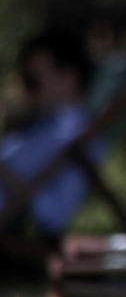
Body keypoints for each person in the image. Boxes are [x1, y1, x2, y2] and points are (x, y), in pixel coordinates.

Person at [0, 32, 100, 240]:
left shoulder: (75, 135)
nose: (27, 91)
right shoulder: (45, 125)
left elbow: (52, 215)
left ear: (70, 78)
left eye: (33, 82)